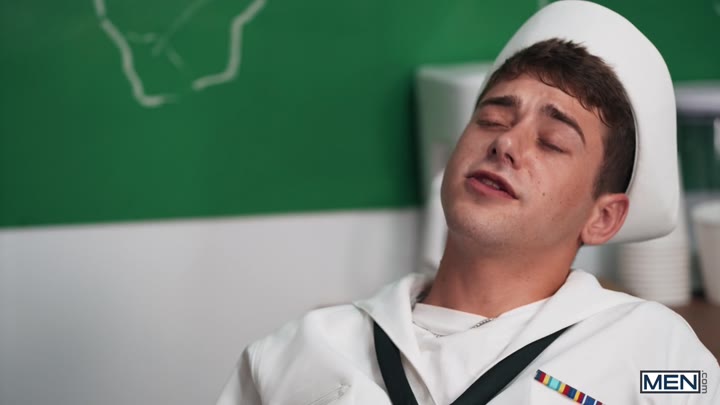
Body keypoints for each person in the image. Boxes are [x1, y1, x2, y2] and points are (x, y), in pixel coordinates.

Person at [216, 2, 719, 404]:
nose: (506, 144)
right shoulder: (299, 352)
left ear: (602, 217)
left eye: (551, 142)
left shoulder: (657, 357)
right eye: (492, 120)